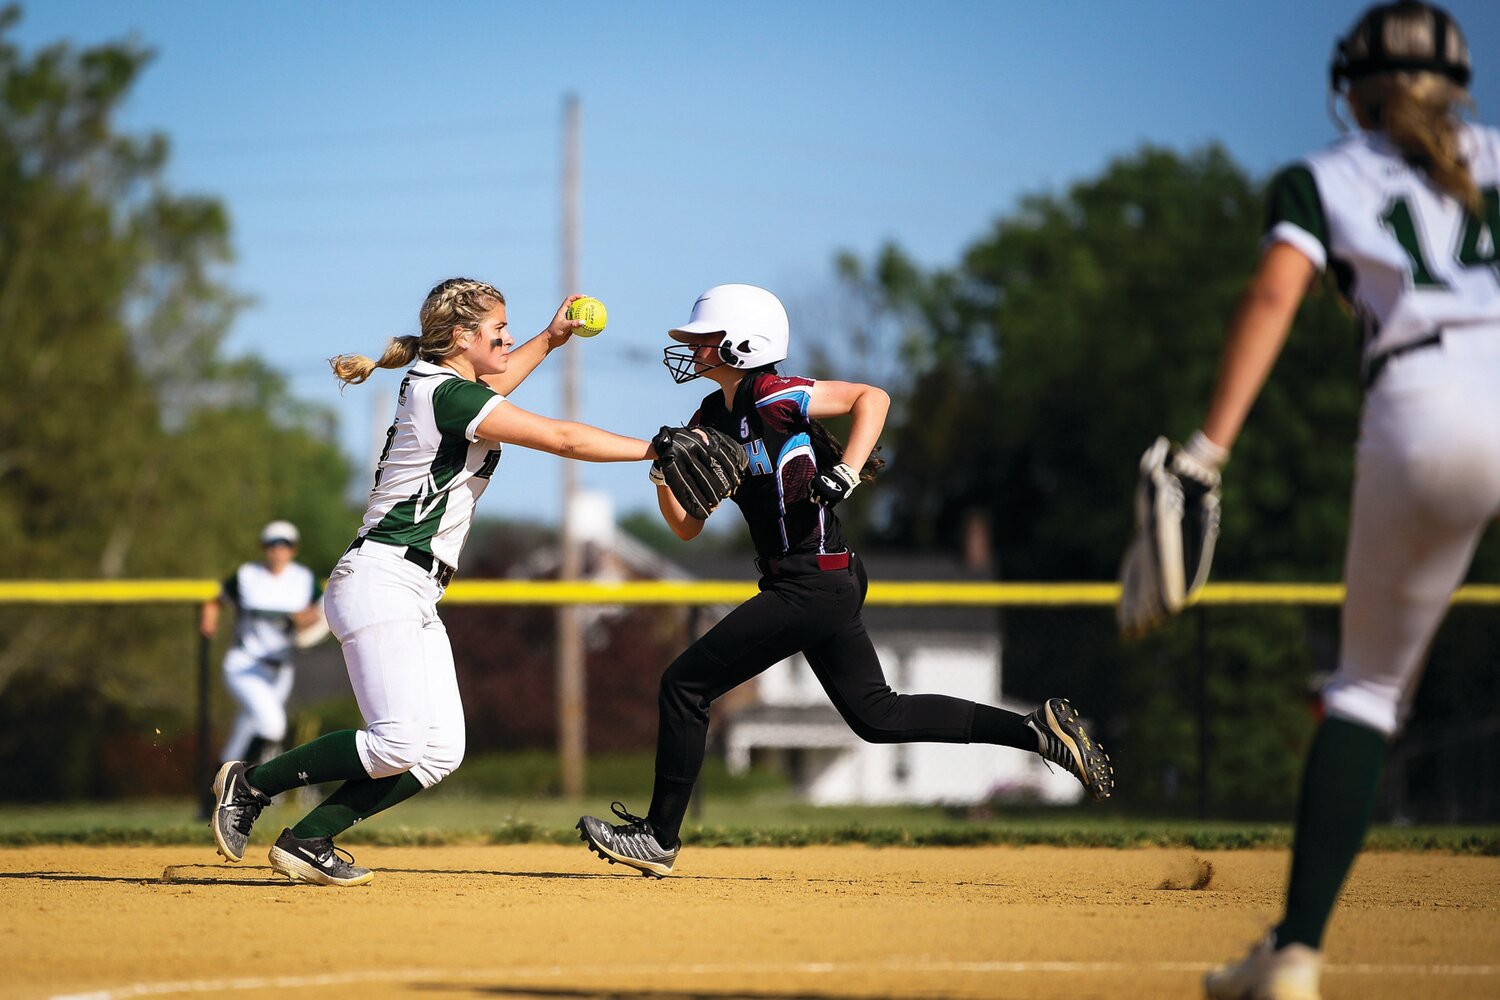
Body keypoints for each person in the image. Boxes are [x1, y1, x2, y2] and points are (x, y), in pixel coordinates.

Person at [1168, 5, 1500, 997]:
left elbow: (1274, 294)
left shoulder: (1326, 175)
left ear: (1352, 89)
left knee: (1364, 692)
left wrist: (1205, 450)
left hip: (1424, 402)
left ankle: (1295, 954)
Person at [576, 283, 1116, 877]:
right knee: (878, 715)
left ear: (741, 344)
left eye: (701, 338)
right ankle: (1038, 732)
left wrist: (847, 471)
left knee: (685, 686)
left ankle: (659, 837)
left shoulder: (775, 394)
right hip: (813, 582)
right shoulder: (710, 418)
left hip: (813, 581)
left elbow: (872, 398)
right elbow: (686, 529)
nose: (690, 348)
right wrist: (662, 474)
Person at [209, 278, 654, 886]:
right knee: (396, 742)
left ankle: (309, 838)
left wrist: (551, 339)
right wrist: (654, 447)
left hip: (410, 587)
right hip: (382, 577)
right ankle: (252, 783)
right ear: (464, 337)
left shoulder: (446, 387)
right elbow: (562, 437)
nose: (508, 336)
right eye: (498, 328)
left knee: (439, 750)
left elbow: (494, 387)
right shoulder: (447, 396)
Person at [199, 520, 323, 799]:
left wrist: (306, 620)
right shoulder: (247, 575)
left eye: (284, 545)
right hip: (245, 665)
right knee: (272, 724)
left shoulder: (302, 579)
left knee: (241, 737)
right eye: (272, 544)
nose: (277, 551)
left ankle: (211, 798)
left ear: (293, 549)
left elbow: (320, 614)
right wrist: (209, 616)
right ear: (263, 548)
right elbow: (216, 599)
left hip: (281, 670)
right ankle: (243, 792)